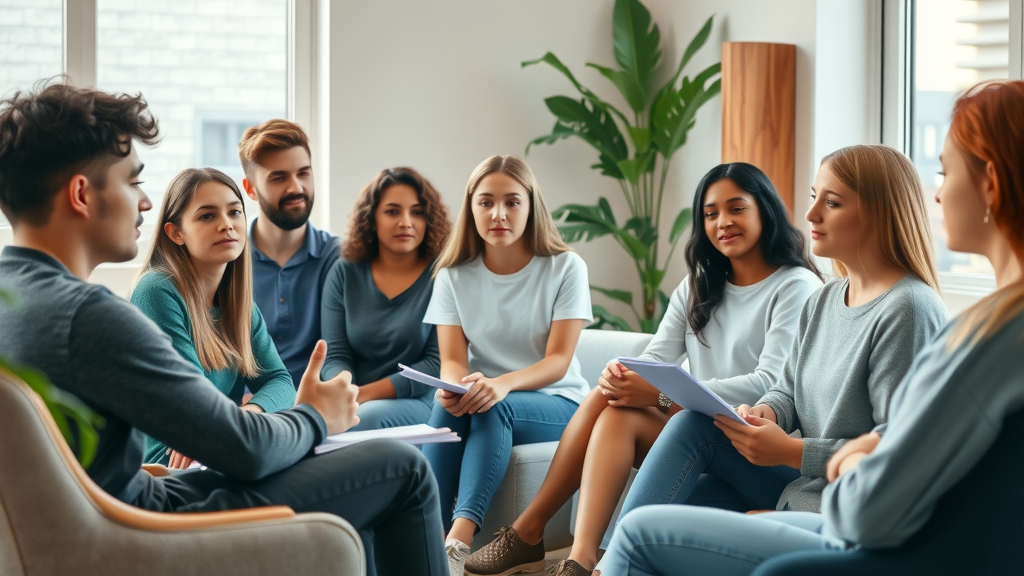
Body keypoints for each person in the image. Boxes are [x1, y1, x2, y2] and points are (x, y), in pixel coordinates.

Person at [0, 82, 447, 576]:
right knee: (403, 468)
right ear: (82, 194)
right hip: (135, 525)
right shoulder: (90, 315)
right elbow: (245, 449)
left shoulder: (13, 295)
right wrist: (318, 416)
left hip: (119, 501)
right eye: (133, 182)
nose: (145, 203)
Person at [593, 128, 1023, 573]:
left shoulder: (907, 308)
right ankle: (604, 563)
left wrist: (790, 452)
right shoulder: (823, 298)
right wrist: (769, 413)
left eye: (832, 203)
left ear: (879, 212)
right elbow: (786, 389)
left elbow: (895, 448)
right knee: (687, 438)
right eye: (815, 196)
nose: (811, 212)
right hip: (798, 483)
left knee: (651, 532)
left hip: (830, 499)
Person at [466, 162, 824, 576]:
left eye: (736, 208)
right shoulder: (697, 285)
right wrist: (622, 375)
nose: (722, 222)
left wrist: (660, 394)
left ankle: (530, 532)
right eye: (710, 214)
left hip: (764, 455)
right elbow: (654, 360)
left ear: (765, 210)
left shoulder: (795, 286)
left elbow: (768, 385)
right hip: (704, 435)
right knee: (615, 402)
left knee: (634, 404)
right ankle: (581, 559)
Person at [421, 155, 592, 576]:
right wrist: (453, 386)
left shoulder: (565, 267)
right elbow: (453, 361)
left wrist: (502, 385)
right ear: (471, 208)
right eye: (486, 202)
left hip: (559, 402)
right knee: (447, 407)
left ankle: (456, 544)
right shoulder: (452, 276)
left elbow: (558, 361)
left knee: (494, 404)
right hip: (489, 396)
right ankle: (424, 540)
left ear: (531, 207)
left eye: (512, 202)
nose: (498, 214)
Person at [130, 168, 295, 467]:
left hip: (222, 448)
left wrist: (249, 415)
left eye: (234, 212)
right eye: (207, 216)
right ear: (176, 233)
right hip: (166, 465)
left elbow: (280, 382)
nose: (227, 225)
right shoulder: (156, 290)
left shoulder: (237, 302)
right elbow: (195, 404)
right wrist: (232, 427)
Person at [320, 167, 451, 430]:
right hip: (353, 397)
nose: (406, 222)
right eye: (392, 211)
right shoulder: (344, 272)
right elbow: (335, 353)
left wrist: (362, 394)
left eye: (417, 212)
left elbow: (436, 364)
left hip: (419, 398)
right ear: (371, 219)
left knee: (362, 419)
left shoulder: (443, 275)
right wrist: (342, 389)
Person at [238, 119, 340, 387]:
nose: (296, 187)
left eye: (304, 173)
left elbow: (343, 354)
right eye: (279, 177)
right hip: (247, 413)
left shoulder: (338, 257)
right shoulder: (228, 261)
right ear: (250, 189)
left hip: (317, 409)